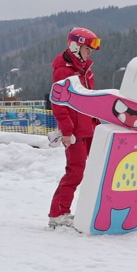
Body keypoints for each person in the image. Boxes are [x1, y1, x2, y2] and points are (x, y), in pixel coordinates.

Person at [47, 27, 101, 227]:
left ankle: (97, 210)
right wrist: (67, 131)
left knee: (99, 169)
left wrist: (96, 121)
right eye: (87, 48)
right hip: (76, 131)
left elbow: (89, 99)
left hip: (89, 127)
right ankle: (58, 213)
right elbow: (59, 103)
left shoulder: (84, 69)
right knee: (75, 172)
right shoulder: (64, 70)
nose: (90, 53)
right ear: (76, 46)